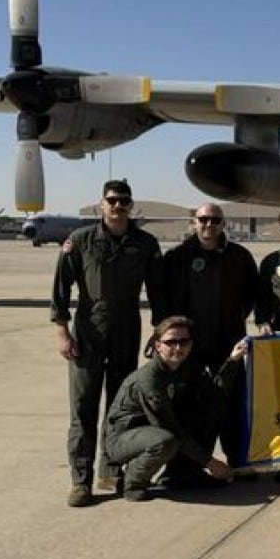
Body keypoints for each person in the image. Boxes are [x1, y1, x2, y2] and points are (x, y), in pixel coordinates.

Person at [51, 179, 164, 508]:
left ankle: (112, 471)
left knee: (120, 406)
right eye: (112, 200)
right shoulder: (80, 240)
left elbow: (158, 289)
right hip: (88, 329)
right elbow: (61, 287)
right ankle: (80, 481)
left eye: (124, 201)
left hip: (127, 327)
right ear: (102, 204)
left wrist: (159, 329)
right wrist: (62, 331)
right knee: (83, 407)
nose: (118, 206)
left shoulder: (145, 243)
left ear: (131, 206)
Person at [158, 202, 258, 476]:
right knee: (188, 404)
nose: (208, 224)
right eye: (203, 219)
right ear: (194, 222)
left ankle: (238, 460)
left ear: (223, 223)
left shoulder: (239, 257)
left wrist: (235, 317)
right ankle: (184, 466)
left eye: (214, 219)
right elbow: (163, 298)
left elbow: (251, 295)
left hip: (228, 343)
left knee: (232, 401)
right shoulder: (177, 257)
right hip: (188, 346)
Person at [104, 316, 237, 501]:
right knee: (165, 440)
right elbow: (167, 426)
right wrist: (210, 462)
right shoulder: (149, 378)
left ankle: (183, 473)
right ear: (158, 346)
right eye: (171, 342)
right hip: (125, 438)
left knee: (212, 409)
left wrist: (233, 360)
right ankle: (132, 482)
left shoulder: (187, 369)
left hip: (156, 429)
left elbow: (215, 393)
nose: (178, 347)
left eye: (184, 342)